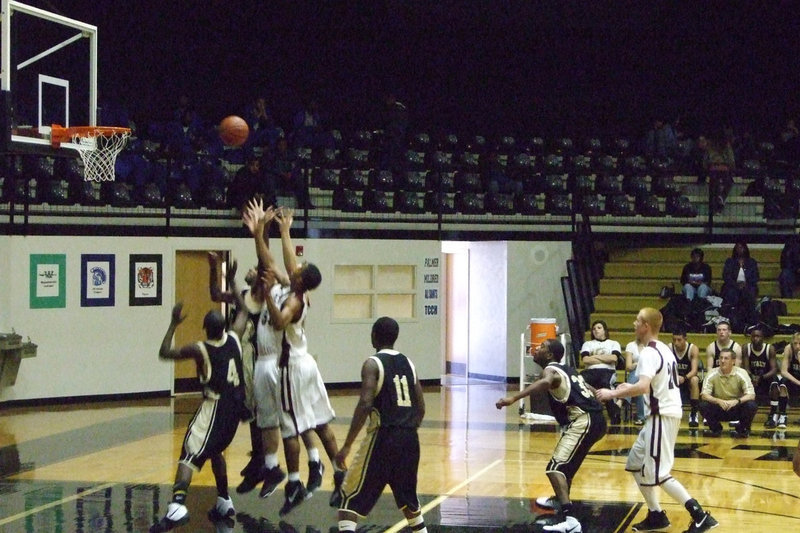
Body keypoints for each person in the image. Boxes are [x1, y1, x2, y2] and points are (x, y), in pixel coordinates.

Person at [247, 201, 345, 514]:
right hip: (305, 363)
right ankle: (340, 475)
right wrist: (269, 232)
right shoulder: (293, 285)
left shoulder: (295, 299)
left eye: (299, 270)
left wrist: (268, 298)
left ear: (300, 279)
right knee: (319, 423)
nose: (295, 267)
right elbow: (274, 260)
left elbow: (278, 321)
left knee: (291, 427)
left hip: (292, 367)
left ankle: (294, 482)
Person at [595, 307, 718, 533]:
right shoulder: (662, 348)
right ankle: (656, 514)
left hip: (662, 415)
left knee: (658, 473)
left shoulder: (649, 354)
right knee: (634, 463)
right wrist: (628, 387)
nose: (633, 324)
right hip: (660, 415)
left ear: (646, 326)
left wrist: (613, 393)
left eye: (637, 321)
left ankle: (700, 516)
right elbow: (650, 384)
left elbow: (643, 386)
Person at [150, 262, 249, 533]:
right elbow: (243, 310)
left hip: (214, 407)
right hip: (235, 411)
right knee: (216, 451)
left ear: (205, 329)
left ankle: (178, 507)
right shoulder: (235, 338)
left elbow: (164, 352)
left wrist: (173, 323)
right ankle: (224, 501)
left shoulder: (200, 348)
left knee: (188, 455)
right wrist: (232, 279)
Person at [496, 339, 607, 533]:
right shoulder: (569, 369)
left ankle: (570, 520)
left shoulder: (550, 370)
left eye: (542, 347)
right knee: (567, 467)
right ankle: (558, 500)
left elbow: (546, 382)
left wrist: (513, 398)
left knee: (555, 468)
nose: (537, 349)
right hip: (597, 420)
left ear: (549, 355)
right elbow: (589, 389)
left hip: (584, 419)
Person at [334, 317, 428, 533]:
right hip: (410, 439)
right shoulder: (409, 363)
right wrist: (406, 430)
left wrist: (347, 445)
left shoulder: (372, 363)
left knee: (348, 500)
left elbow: (365, 403)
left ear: (374, 335)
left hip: (383, 437)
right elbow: (421, 407)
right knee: (410, 504)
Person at [207, 252, 270, 494]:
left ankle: (260, 461)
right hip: (235, 352)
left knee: (250, 411)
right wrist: (213, 268)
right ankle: (258, 460)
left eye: (256, 270)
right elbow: (214, 294)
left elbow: (264, 266)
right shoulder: (242, 294)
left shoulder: (261, 298)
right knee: (241, 409)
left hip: (249, 356)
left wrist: (260, 232)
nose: (251, 270)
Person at [699, 348, 758, 438]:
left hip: (736, 407)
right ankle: (716, 429)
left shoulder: (741, 373)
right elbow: (704, 395)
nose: (722, 361)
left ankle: (742, 429)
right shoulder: (711, 373)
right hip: (719, 407)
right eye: (721, 358)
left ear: (733, 361)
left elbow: (751, 395)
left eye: (726, 358)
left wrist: (737, 401)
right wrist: (717, 401)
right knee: (703, 405)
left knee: (751, 405)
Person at [580, 320, 622, 425]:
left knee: (605, 385)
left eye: (599, 328)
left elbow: (614, 358)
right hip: (590, 371)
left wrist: (595, 357)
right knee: (578, 382)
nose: (596, 330)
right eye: (594, 329)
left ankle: (614, 414)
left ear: (604, 330)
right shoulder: (587, 344)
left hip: (607, 371)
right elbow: (585, 360)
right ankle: (584, 413)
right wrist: (604, 358)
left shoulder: (613, 343)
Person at [741, 324, 778, 421]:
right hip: (751, 378)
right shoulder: (746, 348)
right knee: (741, 378)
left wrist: (761, 377)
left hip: (765, 378)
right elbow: (745, 368)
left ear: (763, 338)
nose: (755, 338)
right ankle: (741, 413)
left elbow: (774, 369)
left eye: (758, 336)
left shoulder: (769, 349)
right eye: (753, 336)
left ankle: (773, 413)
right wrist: (752, 377)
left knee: (775, 381)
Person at [670, 329, 701, 427]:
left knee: (695, 380)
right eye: (674, 340)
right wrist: (675, 377)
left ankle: (693, 413)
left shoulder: (692, 349)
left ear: (685, 339)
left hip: (687, 378)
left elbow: (694, 370)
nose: (676, 343)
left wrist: (684, 378)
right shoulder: (669, 348)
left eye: (679, 340)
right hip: (674, 378)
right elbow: (667, 368)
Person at [720, 241, 759, 317]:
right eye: (737, 248)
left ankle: (750, 314)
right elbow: (726, 276)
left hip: (748, 285)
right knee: (731, 292)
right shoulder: (730, 262)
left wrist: (745, 284)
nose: (739, 250)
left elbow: (755, 277)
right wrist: (736, 285)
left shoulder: (751, 262)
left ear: (745, 249)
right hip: (732, 286)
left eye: (741, 248)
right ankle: (731, 313)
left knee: (750, 291)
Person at [778, 332, 800, 429]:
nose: (797, 346)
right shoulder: (788, 349)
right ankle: (782, 415)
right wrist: (798, 382)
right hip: (793, 379)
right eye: (795, 343)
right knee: (783, 383)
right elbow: (783, 371)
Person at [623, 339, 646, 425]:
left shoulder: (651, 345)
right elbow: (628, 366)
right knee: (638, 387)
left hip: (648, 374)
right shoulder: (630, 345)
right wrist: (637, 365)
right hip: (636, 374)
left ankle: (624, 397)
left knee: (638, 374)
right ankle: (641, 417)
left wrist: (638, 364)